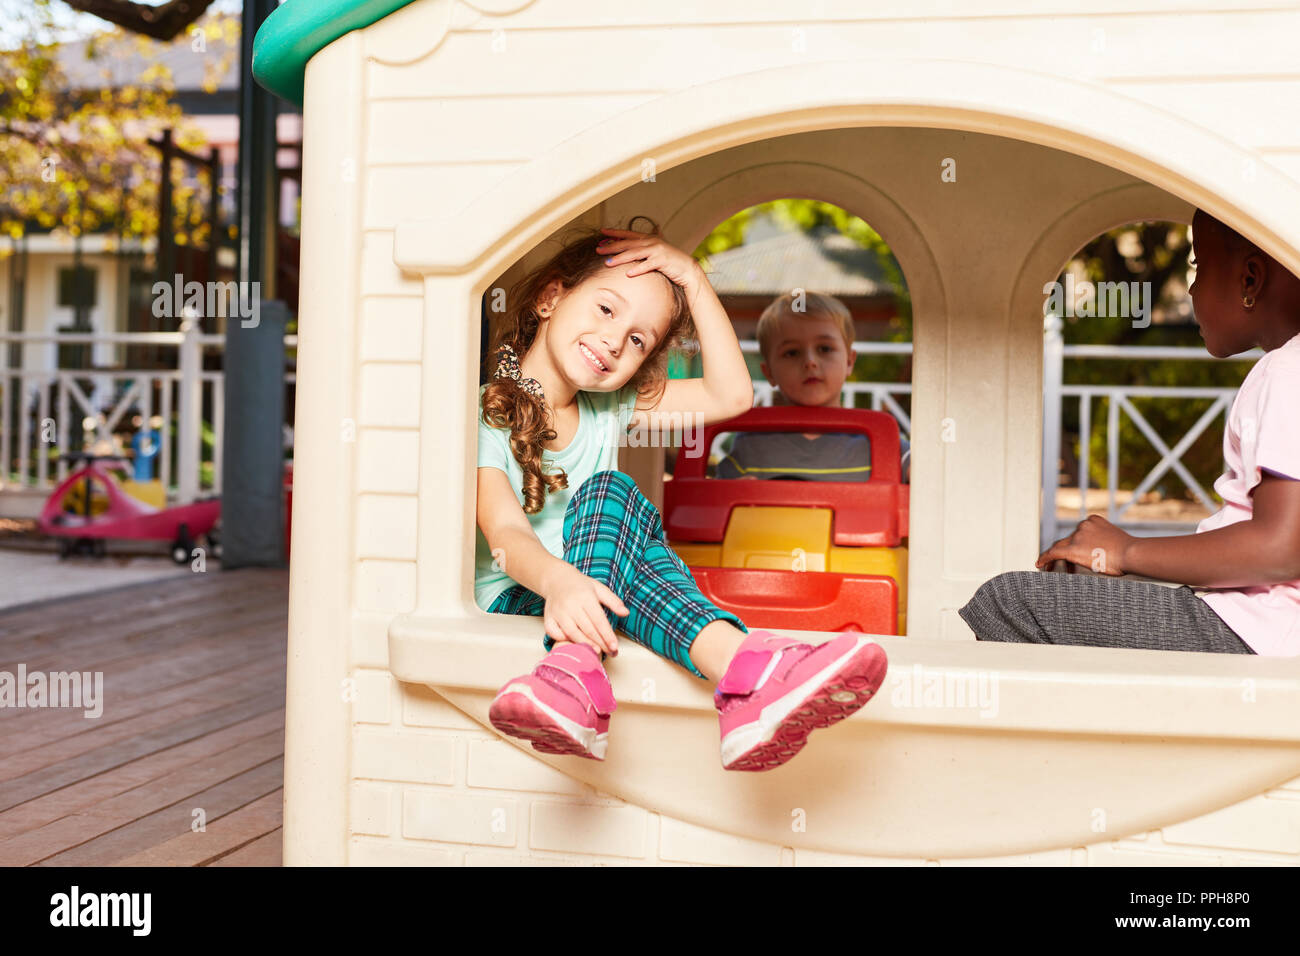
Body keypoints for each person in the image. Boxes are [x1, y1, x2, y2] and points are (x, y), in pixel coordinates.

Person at [475, 220, 888, 770]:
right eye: (606, 309)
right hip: (521, 596)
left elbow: (730, 394)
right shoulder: (484, 412)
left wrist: (693, 277)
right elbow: (504, 533)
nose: (615, 340)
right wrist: (560, 582)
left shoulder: (609, 407)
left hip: (597, 596)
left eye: (638, 339)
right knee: (612, 492)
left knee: (619, 511)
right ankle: (747, 671)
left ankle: (574, 674)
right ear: (550, 297)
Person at [960, 209, 1300, 655]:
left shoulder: (1287, 370)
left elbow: (1281, 548)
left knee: (1010, 602)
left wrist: (1125, 550)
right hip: (1257, 622)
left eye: (1198, 266)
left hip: (1261, 633)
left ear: (1250, 279)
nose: (1192, 288)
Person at [714, 291, 910, 483]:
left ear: (849, 362)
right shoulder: (750, 446)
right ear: (769, 373)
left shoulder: (879, 443)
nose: (810, 362)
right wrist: (734, 492)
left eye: (824, 349)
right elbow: (714, 498)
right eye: (792, 353)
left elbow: (924, 473)